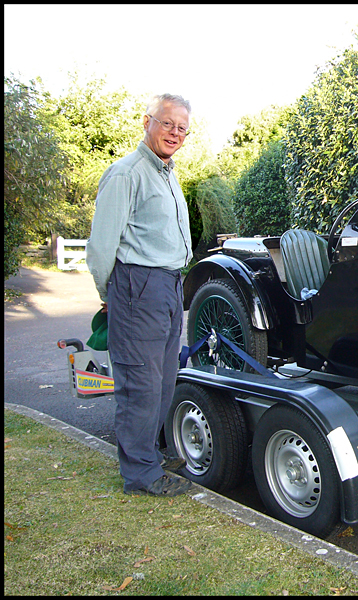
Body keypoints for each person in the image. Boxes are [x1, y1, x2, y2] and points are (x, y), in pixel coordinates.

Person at [86, 93, 194, 496]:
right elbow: (101, 246)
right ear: (147, 121)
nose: (175, 133)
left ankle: (148, 453)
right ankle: (141, 475)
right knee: (141, 384)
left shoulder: (165, 172)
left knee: (164, 380)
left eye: (182, 128)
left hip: (167, 285)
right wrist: (108, 294)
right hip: (138, 286)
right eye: (167, 123)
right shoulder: (126, 173)